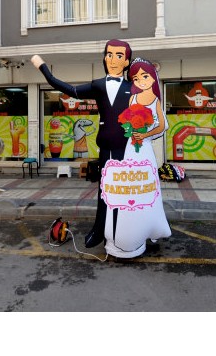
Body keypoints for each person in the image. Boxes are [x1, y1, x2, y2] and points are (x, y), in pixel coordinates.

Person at [31, 39, 132, 248]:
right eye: (109, 55)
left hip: (129, 147)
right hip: (106, 146)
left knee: (127, 190)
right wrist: (42, 67)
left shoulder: (133, 88)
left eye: (119, 56)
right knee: (105, 190)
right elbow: (68, 89)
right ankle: (99, 229)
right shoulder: (98, 85)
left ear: (127, 62)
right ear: (104, 58)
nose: (113, 60)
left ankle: (129, 229)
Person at [103, 57, 172, 259]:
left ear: (153, 78)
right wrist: (129, 130)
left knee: (146, 187)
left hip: (145, 149)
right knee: (128, 185)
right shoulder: (132, 99)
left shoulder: (155, 101)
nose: (141, 81)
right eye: (136, 78)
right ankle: (125, 229)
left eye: (145, 76)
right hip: (129, 148)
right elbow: (123, 119)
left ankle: (149, 225)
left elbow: (162, 125)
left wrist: (145, 134)